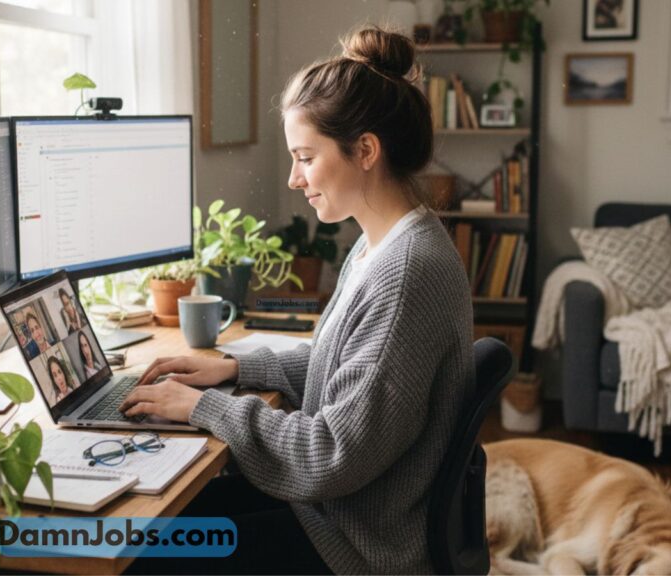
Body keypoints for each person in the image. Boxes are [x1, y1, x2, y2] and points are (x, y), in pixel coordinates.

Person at [121, 26, 473, 575]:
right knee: (157, 521)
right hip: (340, 514)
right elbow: (343, 366)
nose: (292, 178)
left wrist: (201, 407)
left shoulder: (405, 273)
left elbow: (329, 453)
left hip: (351, 545)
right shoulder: (386, 242)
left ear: (365, 150)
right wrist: (233, 367)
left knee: (139, 549)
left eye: (305, 157)